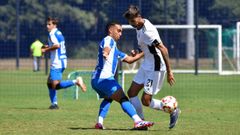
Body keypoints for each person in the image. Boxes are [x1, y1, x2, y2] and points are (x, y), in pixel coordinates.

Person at [123, 5, 180, 129]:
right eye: (129, 22)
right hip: (146, 64)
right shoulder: (139, 25)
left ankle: (173, 110)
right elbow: (147, 46)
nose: (131, 24)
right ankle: (141, 123)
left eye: (132, 21)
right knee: (131, 93)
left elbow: (163, 49)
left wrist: (170, 71)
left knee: (146, 101)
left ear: (139, 17)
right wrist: (137, 52)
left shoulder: (148, 31)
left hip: (156, 66)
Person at [91, 22, 154, 130]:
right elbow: (106, 48)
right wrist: (105, 53)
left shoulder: (115, 49)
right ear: (111, 30)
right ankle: (138, 121)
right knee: (123, 99)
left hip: (96, 80)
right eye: (118, 31)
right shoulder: (108, 39)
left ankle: (99, 123)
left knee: (108, 99)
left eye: (121, 31)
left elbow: (130, 60)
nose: (120, 34)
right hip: (105, 80)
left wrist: (145, 51)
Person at [41, 17, 87, 109]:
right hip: (62, 61)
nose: (47, 26)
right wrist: (48, 46)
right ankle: (54, 104)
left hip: (57, 62)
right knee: (49, 83)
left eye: (49, 24)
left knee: (56, 85)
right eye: (47, 24)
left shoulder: (52, 33)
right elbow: (57, 44)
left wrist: (46, 49)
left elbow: (57, 46)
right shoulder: (59, 33)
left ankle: (76, 81)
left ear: (54, 25)